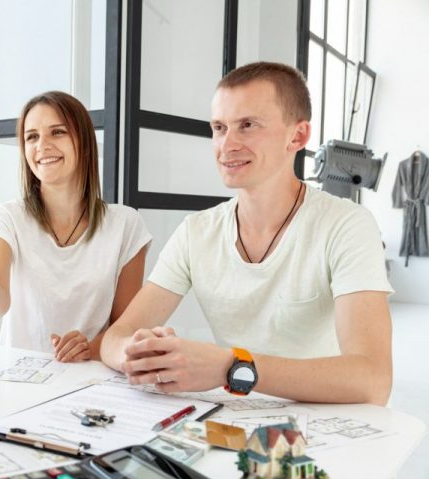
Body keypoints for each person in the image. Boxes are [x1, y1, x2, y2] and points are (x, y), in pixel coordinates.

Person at [101, 62, 393, 405]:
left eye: (248, 125)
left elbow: (373, 380)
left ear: (297, 136)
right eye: (219, 127)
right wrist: (138, 355)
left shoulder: (347, 225)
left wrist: (232, 366)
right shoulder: (196, 232)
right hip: (232, 418)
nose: (227, 144)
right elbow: (115, 337)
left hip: (323, 426)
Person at [0, 91, 151, 362]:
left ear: (83, 142)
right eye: (31, 136)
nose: (42, 146)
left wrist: (88, 349)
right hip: (19, 384)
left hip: (95, 381)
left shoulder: (126, 225)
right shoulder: (6, 219)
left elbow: (125, 328)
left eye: (57, 132)